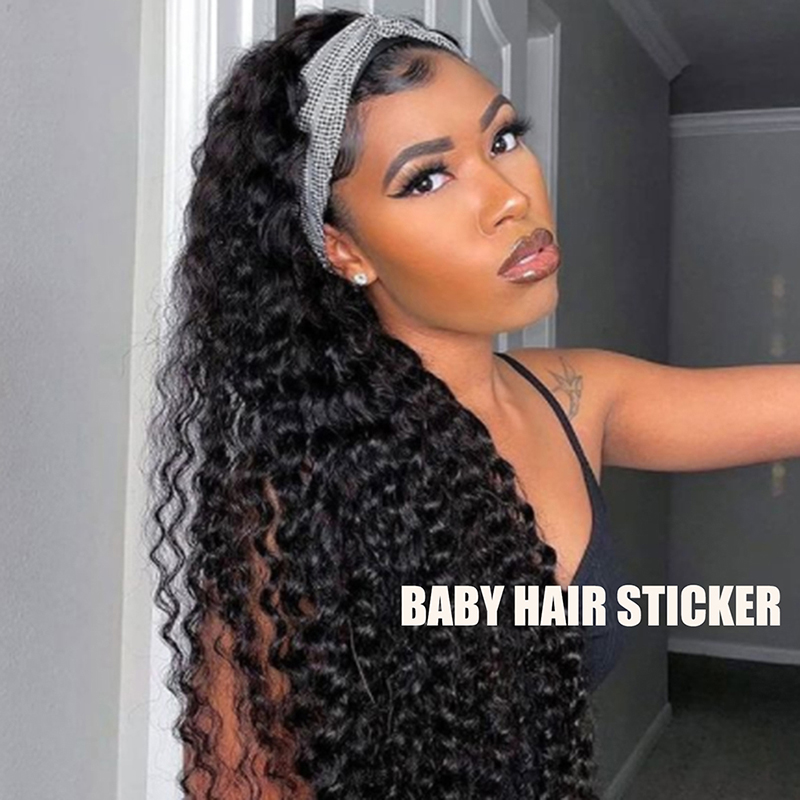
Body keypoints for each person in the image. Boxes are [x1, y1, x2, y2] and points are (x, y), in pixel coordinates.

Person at [146, 9, 800, 800]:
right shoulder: (303, 499)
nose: (510, 198)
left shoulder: (574, 395)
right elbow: (234, 781)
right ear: (344, 249)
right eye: (427, 178)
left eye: (503, 139)